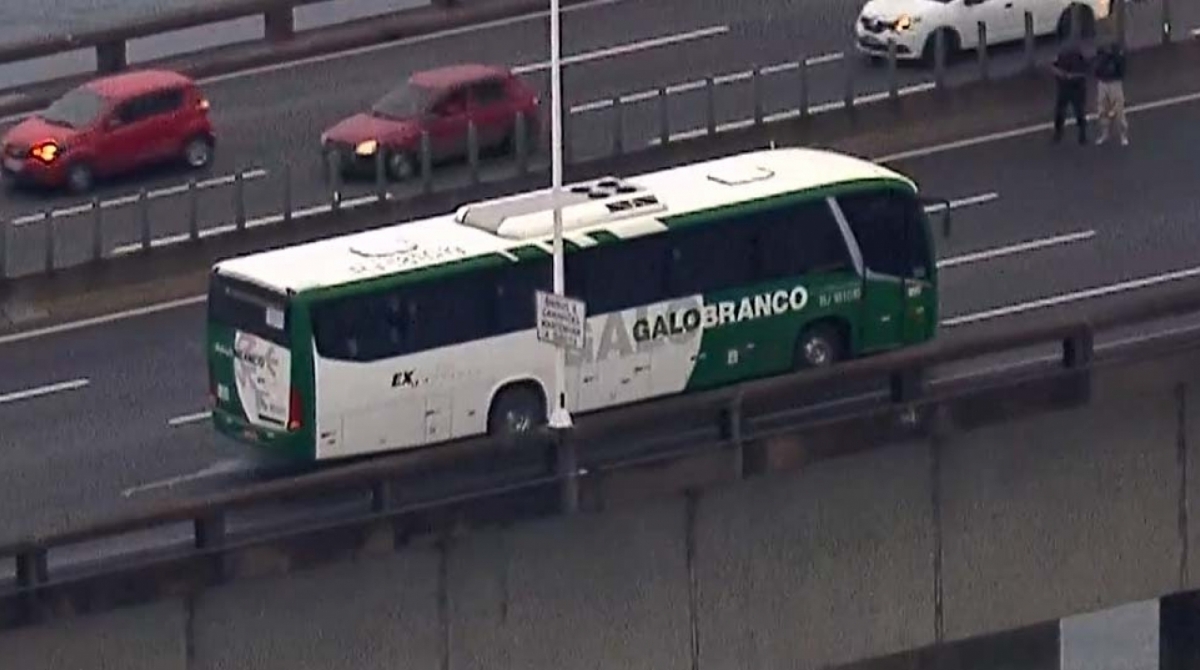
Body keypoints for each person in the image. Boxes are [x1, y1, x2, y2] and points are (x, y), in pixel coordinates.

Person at [1051, 42, 1089, 145]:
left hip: (1074, 89)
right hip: (1067, 89)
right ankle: (1060, 133)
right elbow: (1053, 68)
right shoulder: (1065, 58)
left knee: (1078, 112)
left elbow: (1083, 73)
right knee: (1063, 112)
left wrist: (1069, 76)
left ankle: (1081, 134)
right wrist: (1061, 74)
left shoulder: (1077, 60)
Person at [1093, 39, 1129, 145]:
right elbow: (1096, 69)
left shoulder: (1117, 56)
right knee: (1102, 109)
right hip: (1103, 83)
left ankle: (1123, 135)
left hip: (1114, 83)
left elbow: (1121, 70)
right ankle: (1105, 133)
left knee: (1118, 109)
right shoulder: (1101, 56)